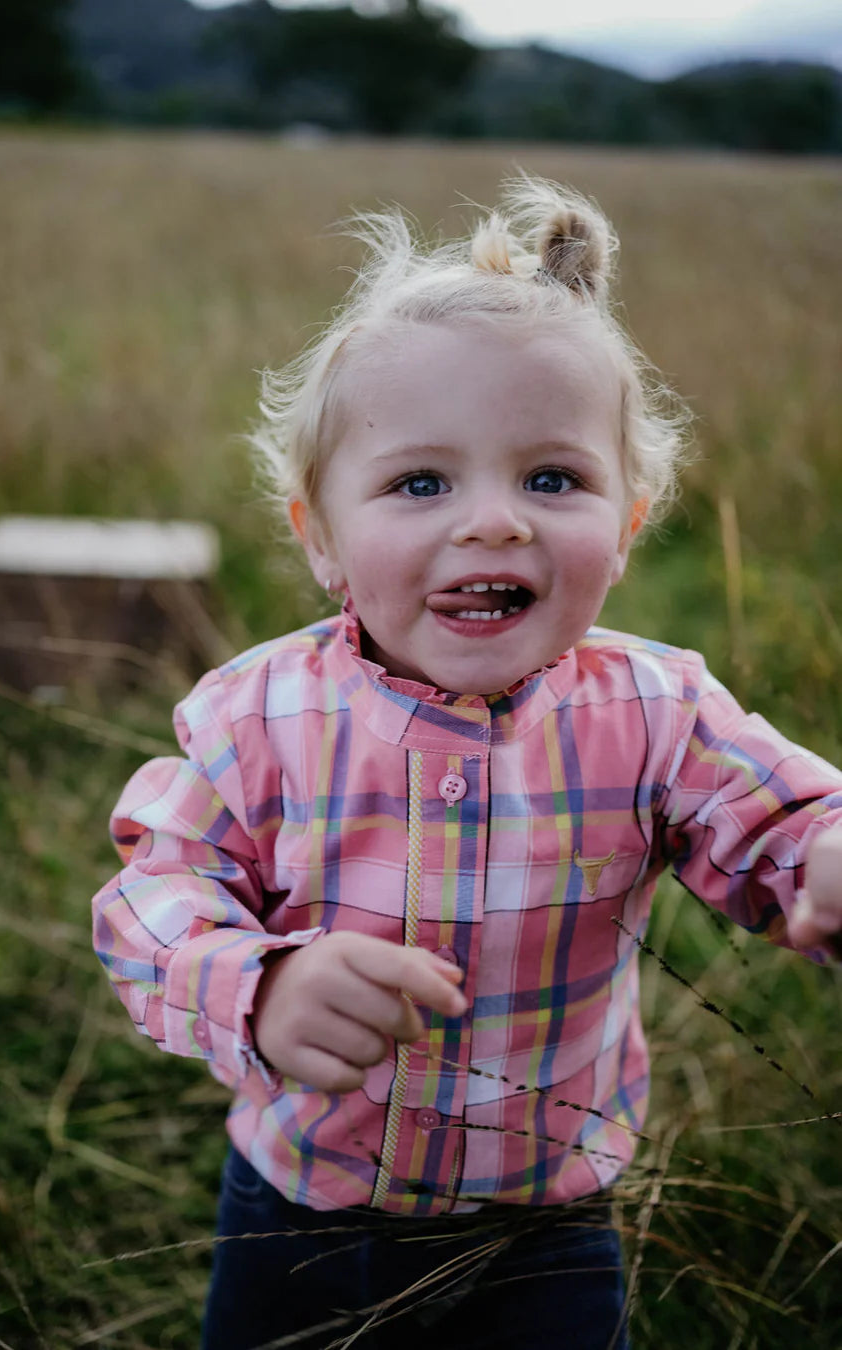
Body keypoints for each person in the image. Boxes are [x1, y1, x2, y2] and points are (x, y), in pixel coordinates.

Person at [92, 176, 842, 1349]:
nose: (494, 522)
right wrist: (260, 983)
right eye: (420, 482)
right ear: (323, 537)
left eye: (553, 478)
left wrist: (825, 859)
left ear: (630, 521)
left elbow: (784, 817)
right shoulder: (259, 714)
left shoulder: (657, 708)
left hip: (547, 1226)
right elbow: (152, 893)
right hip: (304, 1206)